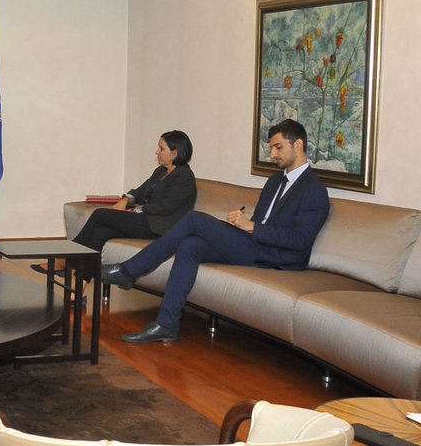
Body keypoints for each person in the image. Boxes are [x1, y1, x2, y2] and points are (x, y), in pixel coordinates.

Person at [102, 119, 329, 344]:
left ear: (298, 145)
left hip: (277, 257)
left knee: (194, 219)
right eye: (271, 148)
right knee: (190, 245)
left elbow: (299, 240)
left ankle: (128, 270)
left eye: (278, 147)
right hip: (255, 244)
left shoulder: (314, 190)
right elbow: (262, 221)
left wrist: (252, 227)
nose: (272, 154)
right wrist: (243, 223)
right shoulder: (274, 181)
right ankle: (166, 324)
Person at [44, 130, 196, 275]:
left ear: (175, 153)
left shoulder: (184, 176)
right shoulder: (161, 171)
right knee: (101, 233)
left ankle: (67, 257)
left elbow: (166, 207)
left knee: (101, 214)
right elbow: (140, 191)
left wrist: (137, 210)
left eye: (161, 148)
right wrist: (126, 200)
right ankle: (81, 281)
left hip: (160, 227)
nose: (157, 152)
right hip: (146, 221)